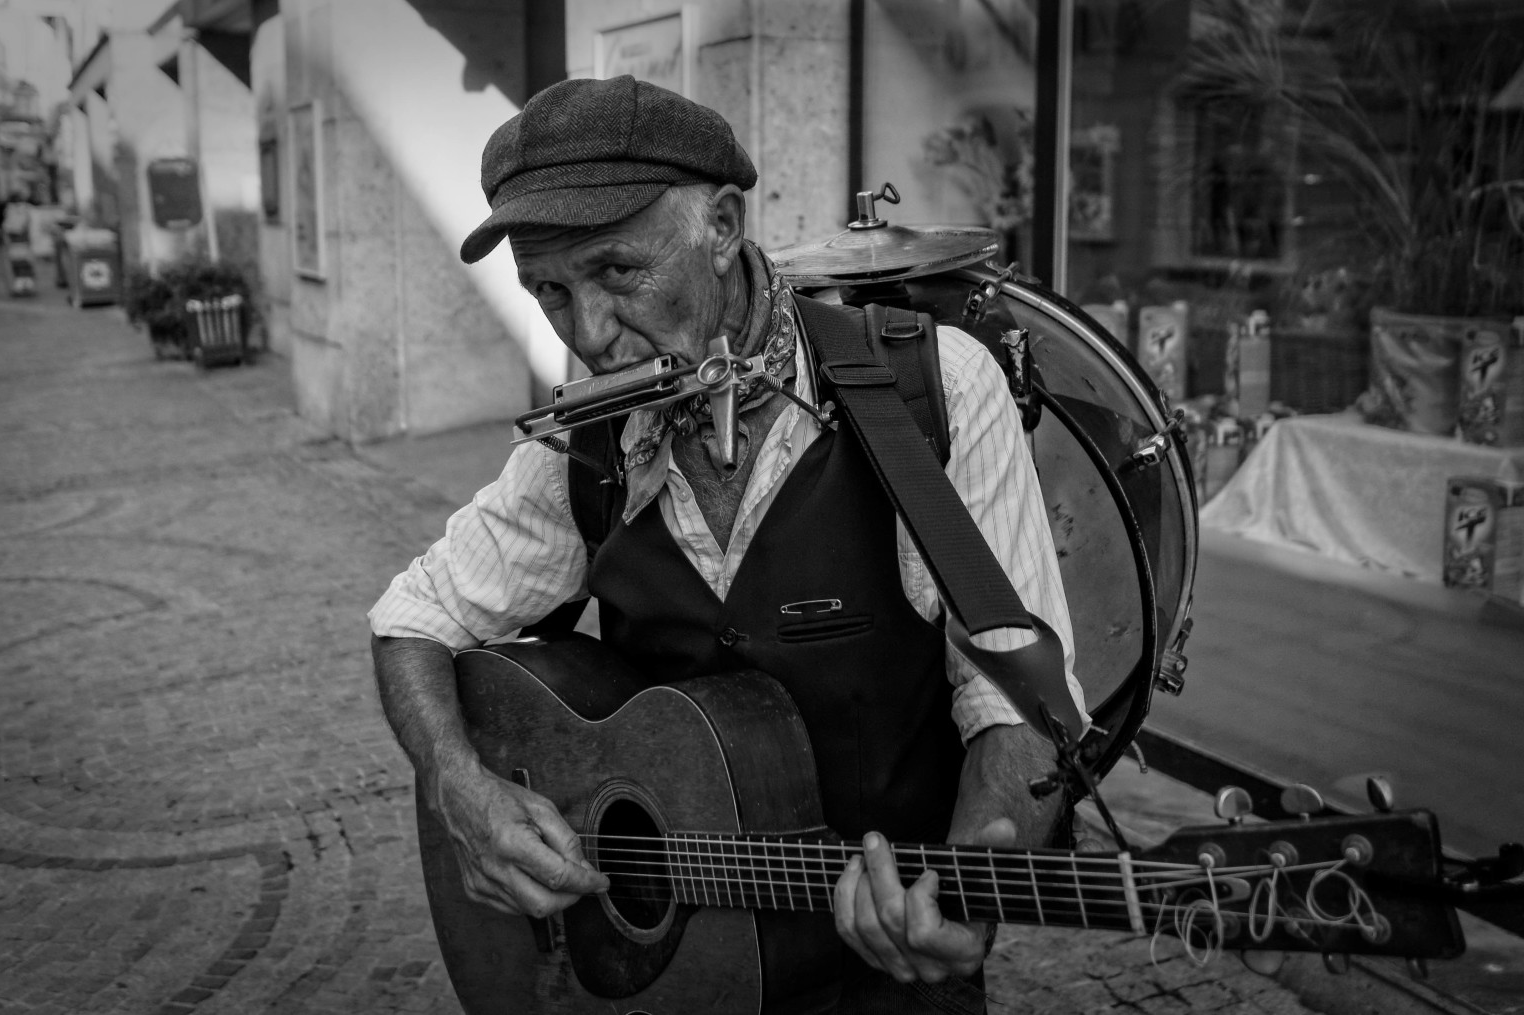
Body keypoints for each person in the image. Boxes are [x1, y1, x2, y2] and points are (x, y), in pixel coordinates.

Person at [369, 75, 1085, 1011]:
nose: (589, 335)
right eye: (549, 290)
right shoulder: (586, 450)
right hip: (678, 977)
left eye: (620, 272)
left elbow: (1018, 708)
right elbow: (410, 619)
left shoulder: (930, 396)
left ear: (721, 225)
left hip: (877, 979)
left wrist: (966, 892)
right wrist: (459, 786)